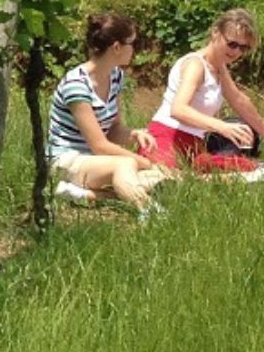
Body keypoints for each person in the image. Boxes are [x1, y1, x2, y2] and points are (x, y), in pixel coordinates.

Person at [48, 12, 173, 212]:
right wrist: (143, 161)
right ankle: (149, 210)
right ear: (116, 47)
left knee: (160, 176)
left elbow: (113, 130)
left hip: (96, 162)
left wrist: (134, 134)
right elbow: (99, 145)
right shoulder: (76, 85)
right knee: (126, 166)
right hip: (68, 160)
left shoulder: (115, 76)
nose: (135, 50)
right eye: (133, 44)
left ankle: (85, 195)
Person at [142, 7, 264, 174]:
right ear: (215, 33)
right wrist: (221, 127)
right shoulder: (196, 65)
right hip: (167, 139)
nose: (236, 52)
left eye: (243, 48)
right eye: (232, 44)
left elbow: (238, 100)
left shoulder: (218, 67)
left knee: (242, 167)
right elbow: (178, 109)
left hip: (194, 144)